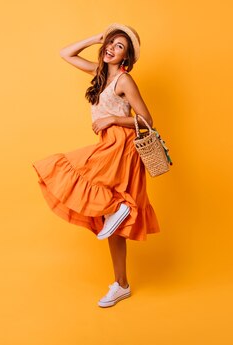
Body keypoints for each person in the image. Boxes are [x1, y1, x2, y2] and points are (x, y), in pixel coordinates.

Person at [31, 23, 161, 308]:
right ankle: (122, 284)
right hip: (109, 143)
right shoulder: (99, 74)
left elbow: (147, 121)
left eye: (119, 47)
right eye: (110, 44)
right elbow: (66, 53)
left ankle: (120, 205)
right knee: (112, 230)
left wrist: (113, 119)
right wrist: (96, 38)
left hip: (121, 145)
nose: (112, 49)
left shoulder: (125, 81)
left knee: (69, 167)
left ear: (126, 58)